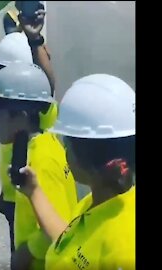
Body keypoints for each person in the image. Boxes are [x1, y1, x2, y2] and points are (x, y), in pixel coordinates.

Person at [15, 74, 136, 270]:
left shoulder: (124, 249)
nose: (64, 150)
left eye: (67, 144)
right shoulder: (94, 204)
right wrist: (34, 191)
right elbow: (68, 242)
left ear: (82, 160)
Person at [0, 63, 78, 270]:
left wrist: (24, 254)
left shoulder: (40, 161)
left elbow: (56, 230)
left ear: (21, 116)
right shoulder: (45, 143)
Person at [0, 6, 59, 254]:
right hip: (13, 197)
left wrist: (35, 40)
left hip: (25, 202)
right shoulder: (16, 116)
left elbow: (46, 85)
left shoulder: (37, 112)